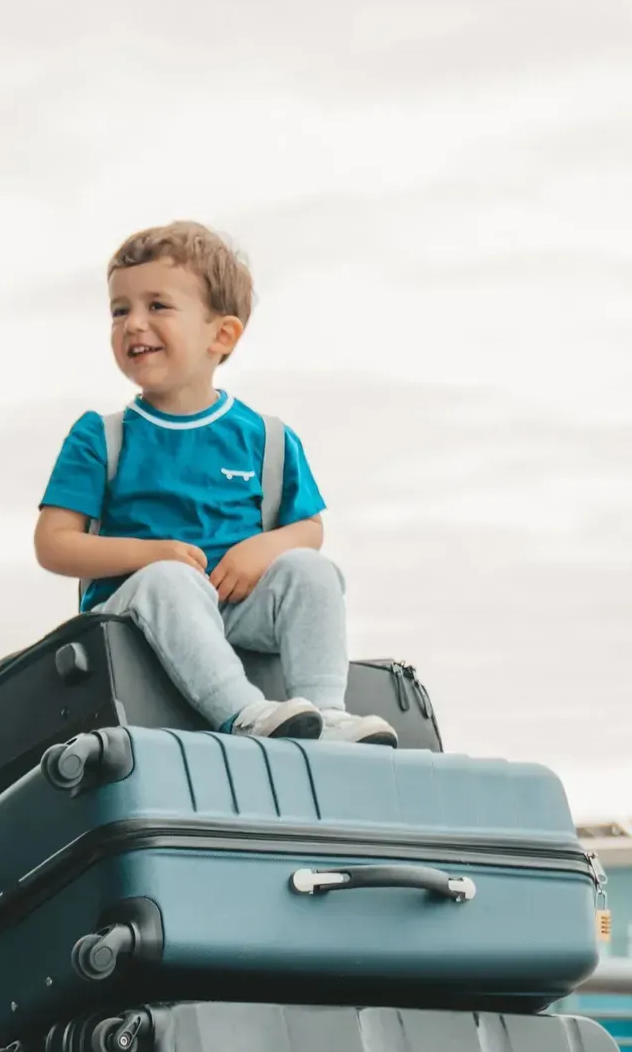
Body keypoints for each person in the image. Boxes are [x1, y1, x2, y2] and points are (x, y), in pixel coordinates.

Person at [31, 221, 394, 745]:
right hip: (135, 617)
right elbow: (54, 544)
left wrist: (262, 549)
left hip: (234, 607)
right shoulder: (101, 437)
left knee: (312, 571)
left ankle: (325, 712)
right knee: (170, 581)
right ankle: (245, 713)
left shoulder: (266, 437)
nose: (133, 323)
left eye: (157, 306)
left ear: (220, 335)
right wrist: (150, 555)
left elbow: (308, 529)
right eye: (119, 310)